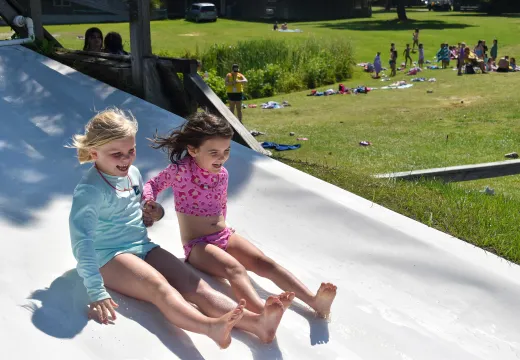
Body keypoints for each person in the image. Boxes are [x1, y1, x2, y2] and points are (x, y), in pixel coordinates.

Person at [68, 108, 290, 347]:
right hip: (108, 256)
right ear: (94, 152)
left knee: (195, 284)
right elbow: (82, 241)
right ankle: (210, 327)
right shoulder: (90, 191)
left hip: (140, 245)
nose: (126, 158)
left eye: (130, 151)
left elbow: (139, 216)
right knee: (159, 288)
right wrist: (96, 289)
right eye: (116, 154)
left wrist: (153, 213)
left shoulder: (132, 173)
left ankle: (258, 324)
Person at [142, 111, 337, 317]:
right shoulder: (181, 170)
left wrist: (226, 238)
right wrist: (150, 202)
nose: (222, 157)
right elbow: (153, 184)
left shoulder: (222, 174)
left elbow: (221, 207)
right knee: (236, 270)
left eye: (226, 150)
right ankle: (262, 315)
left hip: (224, 236)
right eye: (214, 152)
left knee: (265, 263)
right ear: (192, 149)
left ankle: (314, 301)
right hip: (198, 245)